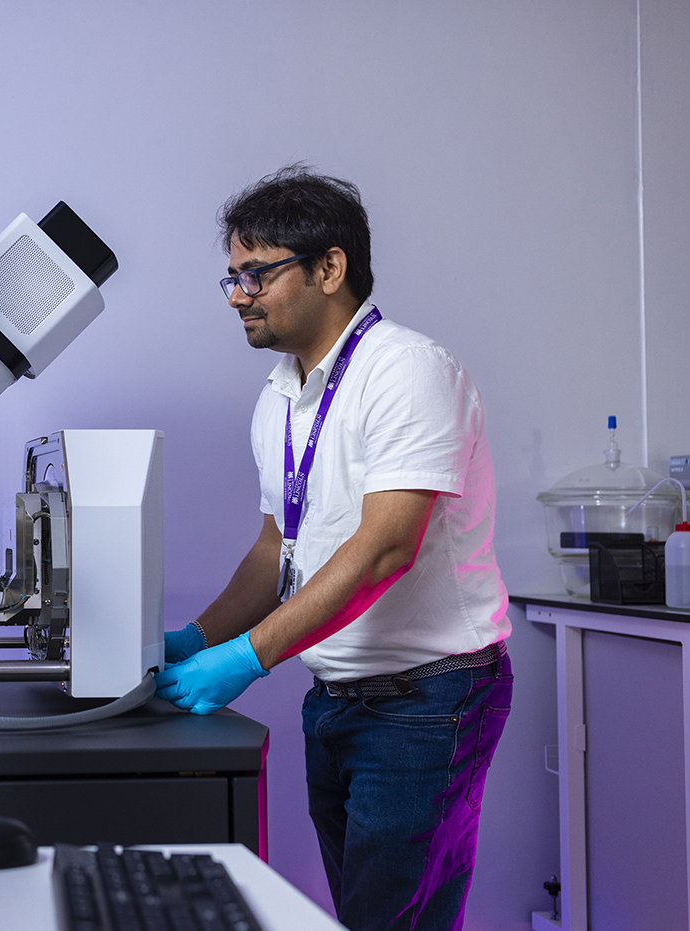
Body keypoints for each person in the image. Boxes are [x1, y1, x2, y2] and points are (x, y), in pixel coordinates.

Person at [156, 165, 511, 931]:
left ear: (329, 268)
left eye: (257, 274)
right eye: (231, 278)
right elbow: (274, 549)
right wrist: (197, 638)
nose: (239, 295)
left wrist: (248, 656)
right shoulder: (281, 394)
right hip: (338, 701)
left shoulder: (406, 371)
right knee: (371, 917)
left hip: (429, 699)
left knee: (384, 920)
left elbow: (386, 549)